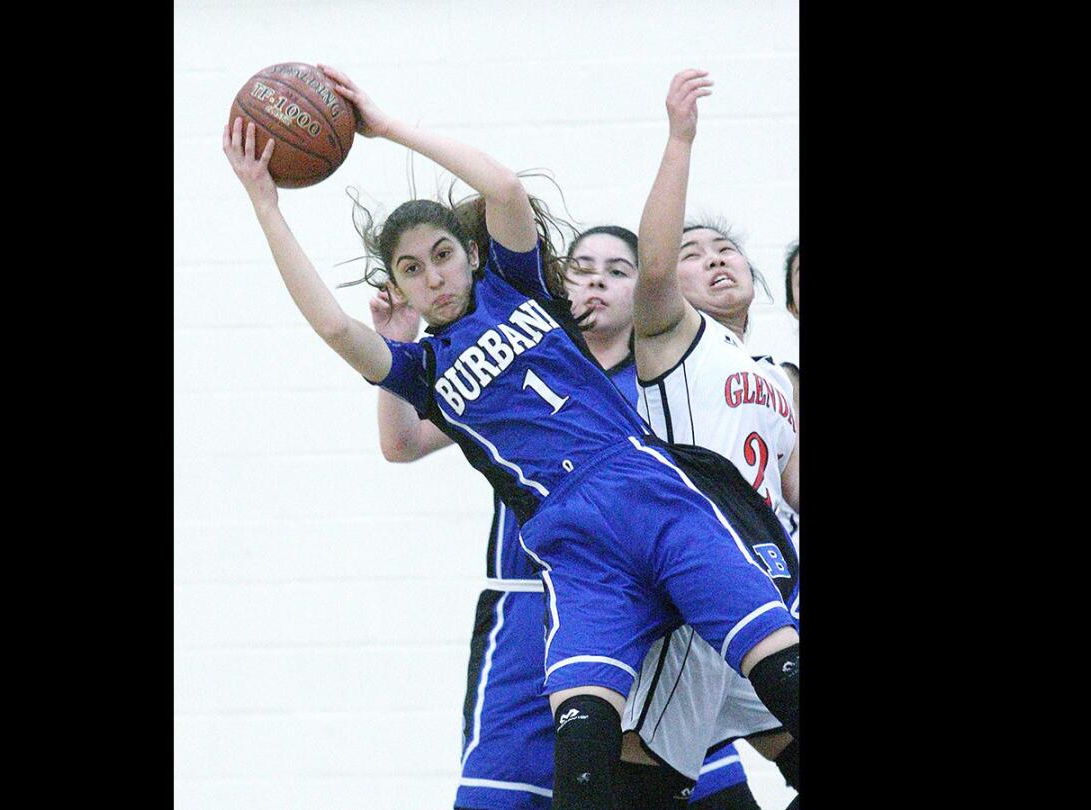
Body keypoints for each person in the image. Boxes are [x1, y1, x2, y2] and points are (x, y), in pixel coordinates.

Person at [223, 64, 799, 810]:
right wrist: (265, 204)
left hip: (650, 492)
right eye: (410, 269)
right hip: (571, 542)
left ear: (468, 255)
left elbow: (503, 192)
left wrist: (386, 125)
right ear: (396, 287)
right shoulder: (422, 368)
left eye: (442, 254)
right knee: (584, 742)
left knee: (779, 674)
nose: (432, 276)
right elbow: (334, 328)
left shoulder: (516, 287)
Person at [370, 223, 643, 810]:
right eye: (583, 266)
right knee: (498, 795)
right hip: (526, 601)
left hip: (630, 597)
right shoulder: (498, 361)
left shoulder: (658, 378)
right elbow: (402, 444)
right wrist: (398, 339)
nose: (596, 278)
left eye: (618, 269)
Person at [625, 69, 804, 807]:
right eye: (697, 252)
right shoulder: (672, 336)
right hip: (696, 583)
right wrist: (680, 139)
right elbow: (656, 263)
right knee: (636, 782)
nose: (715, 257)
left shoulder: (777, 374)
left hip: (763, 586)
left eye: (726, 248)